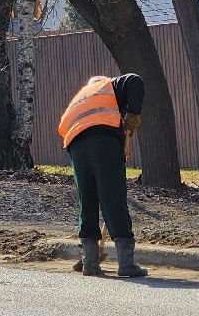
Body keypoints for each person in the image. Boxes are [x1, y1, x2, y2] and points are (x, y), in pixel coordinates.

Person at [57, 73, 147, 278]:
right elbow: (135, 80)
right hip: (104, 141)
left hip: (76, 146)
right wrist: (132, 114)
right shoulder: (110, 86)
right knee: (112, 197)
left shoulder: (79, 98)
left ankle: (90, 262)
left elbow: (63, 126)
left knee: (87, 200)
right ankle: (126, 264)